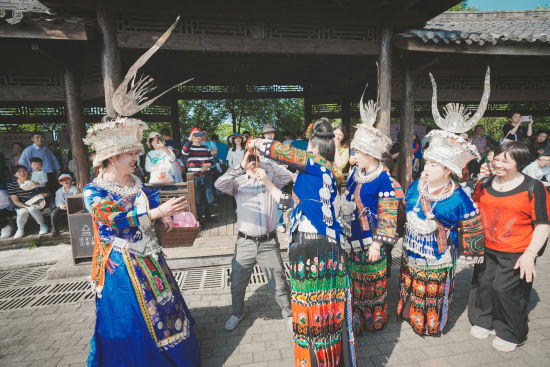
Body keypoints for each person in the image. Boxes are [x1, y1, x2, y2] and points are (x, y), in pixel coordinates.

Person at [83, 20, 200, 365]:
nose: (137, 158)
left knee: (167, 311)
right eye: (131, 154)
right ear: (111, 157)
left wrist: (163, 222)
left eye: (136, 153)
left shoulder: (139, 183)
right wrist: (157, 215)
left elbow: (149, 204)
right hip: (122, 264)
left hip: (150, 257)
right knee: (130, 322)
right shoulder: (94, 192)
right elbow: (116, 220)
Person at [250, 118, 353, 367]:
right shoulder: (318, 173)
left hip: (314, 247)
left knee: (316, 309)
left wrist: (255, 143)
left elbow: (278, 150)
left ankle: (321, 361)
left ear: (315, 150)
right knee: (317, 308)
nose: (305, 151)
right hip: (315, 244)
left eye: (307, 147)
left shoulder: (317, 164)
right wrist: (265, 180)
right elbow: (290, 203)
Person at [398, 68, 489, 336]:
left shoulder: (459, 197)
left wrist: (469, 254)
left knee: (432, 288)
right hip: (411, 250)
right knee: (410, 281)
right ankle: (409, 314)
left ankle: (429, 323)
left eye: (435, 164)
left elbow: (472, 228)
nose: (427, 168)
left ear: (449, 169)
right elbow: (404, 211)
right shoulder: (416, 185)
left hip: (438, 255)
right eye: (427, 162)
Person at [469, 141, 550, 352]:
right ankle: (484, 320)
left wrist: (530, 254)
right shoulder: (484, 183)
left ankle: (511, 332)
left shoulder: (534, 187)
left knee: (506, 290)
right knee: (485, 286)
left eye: (505, 160)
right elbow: (472, 213)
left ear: (520, 162)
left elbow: (542, 224)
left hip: (517, 250)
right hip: (485, 248)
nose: (498, 164)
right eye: (496, 158)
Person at [338, 95, 399, 334]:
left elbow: (389, 215)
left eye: (359, 153)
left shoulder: (383, 179)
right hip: (352, 237)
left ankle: (373, 321)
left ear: (371, 155)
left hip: (371, 240)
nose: (355, 156)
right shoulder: (355, 173)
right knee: (355, 280)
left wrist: (377, 244)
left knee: (373, 282)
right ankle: (357, 320)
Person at [215, 150, 293, 331]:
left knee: (279, 281)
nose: (253, 161)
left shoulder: (270, 177)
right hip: (245, 242)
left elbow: (288, 175)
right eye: (251, 157)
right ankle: (237, 313)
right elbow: (219, 184)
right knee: (237, 282)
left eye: (255, 158)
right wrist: (241, 167)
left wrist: (264, 163)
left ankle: (288, 313)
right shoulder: (238, 181)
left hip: (268, 242)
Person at [182, 127, 215, 224]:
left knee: (210, 199)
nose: (198, 136)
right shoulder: (190, 148)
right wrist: (190, 139)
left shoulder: (206, 148)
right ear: (192, 136)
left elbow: (212, 160)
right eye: (195, 134)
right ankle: (200, 218)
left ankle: (208, 216)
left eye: (199, 134)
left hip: (207, 176)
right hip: (195, 178)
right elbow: (184, 152)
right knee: (198, 200)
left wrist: (209, 165)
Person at [7, 165, 50, 239]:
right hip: (22, 204)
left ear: (27, 172)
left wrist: (44, 194)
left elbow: (48, 192)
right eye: (19, 172)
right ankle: (20, 230)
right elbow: (15, 201)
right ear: (15, 174)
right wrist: (25, 206)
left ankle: (42, 225)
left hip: (37, 202)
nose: (22, 173)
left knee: (32, 209)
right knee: (22, 212)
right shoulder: (12, 185)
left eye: (24, 171)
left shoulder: (34, 181)